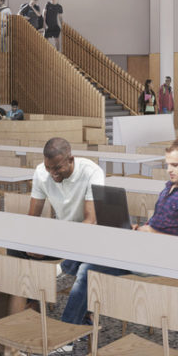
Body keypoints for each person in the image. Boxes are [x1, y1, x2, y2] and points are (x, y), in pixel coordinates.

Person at [26, 139, 109, 327]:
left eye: (57, 168)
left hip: (90, 238)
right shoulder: (41, 172)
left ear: (70, 159)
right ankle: (31, 302)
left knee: (87, 264)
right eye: (49, 168)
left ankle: (83, 314)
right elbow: (32, 219)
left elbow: (90, 221)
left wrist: (61, 247)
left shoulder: (92, 172)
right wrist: (32, 243)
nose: (53, 173)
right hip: (61, 235)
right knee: (17, 250)